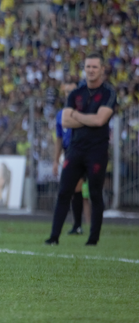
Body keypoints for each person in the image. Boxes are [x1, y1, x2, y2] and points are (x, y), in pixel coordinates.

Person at [46, 54, 116, 246]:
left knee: (94, 193)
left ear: (102, 69)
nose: (91, 70)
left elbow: (100, 120)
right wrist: (88, 118)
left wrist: (77, 115)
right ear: (84, 69)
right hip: (75, 149)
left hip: (97, 150)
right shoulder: (76, 94)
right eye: (88, 67)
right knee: (64, 192)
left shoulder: (109, 93)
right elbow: (65, 120)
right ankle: (54, 237)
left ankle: (93, 238)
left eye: (95, 67)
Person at [54, 81, 89, 235]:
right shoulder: (61, 114)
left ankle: (83, 225)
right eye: (66, 92)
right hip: (69, 152)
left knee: (81, 189)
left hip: (83, 151)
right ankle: (77, 225)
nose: (68, 94)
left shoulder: (84, 111)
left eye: (71, 91)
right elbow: (59, 139)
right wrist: (56, 160)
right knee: (73, 189)